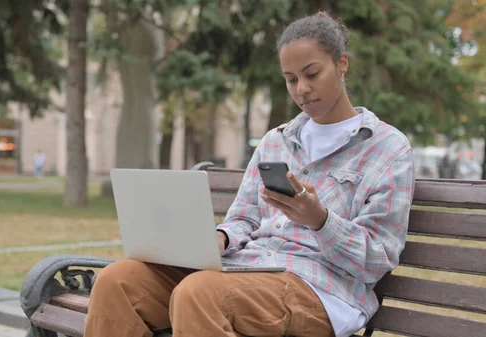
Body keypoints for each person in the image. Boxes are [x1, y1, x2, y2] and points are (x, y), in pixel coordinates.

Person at [83, 11, 415, 337]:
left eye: (312, 74)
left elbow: (379, 258)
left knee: (200, 292)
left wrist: (320, 220)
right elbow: (243, 218)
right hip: (248, 269)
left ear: (341, 64)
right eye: (291, 79)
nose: (301, 89)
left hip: (321, 290)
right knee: (118, 281)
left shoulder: (387, 149)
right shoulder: (276, 141)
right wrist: (221, 238)